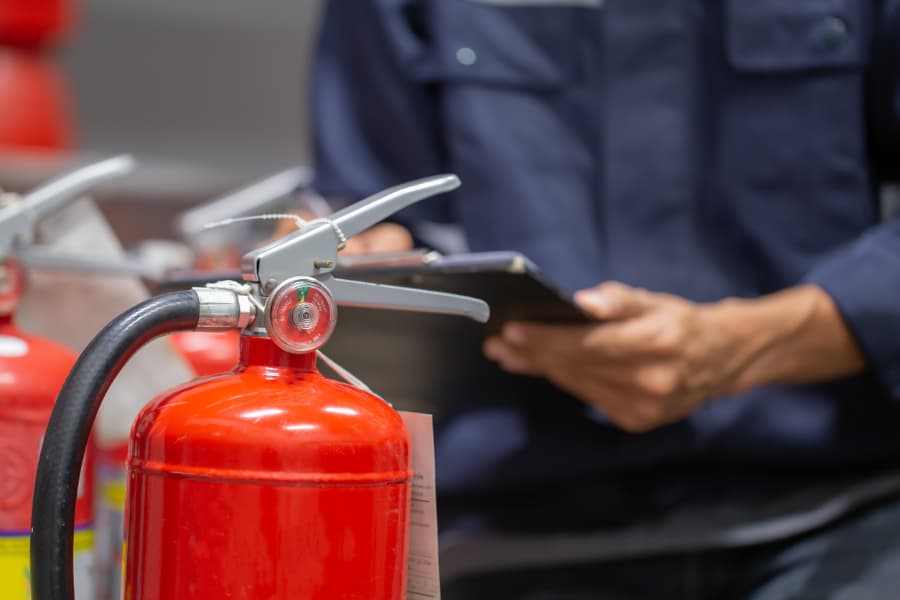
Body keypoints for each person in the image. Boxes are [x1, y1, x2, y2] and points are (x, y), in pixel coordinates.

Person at [306, 1, 900, 598]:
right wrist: (350, 253)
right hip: (508, 526)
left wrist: (754, 345)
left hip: (835, 504)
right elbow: (372, 202)